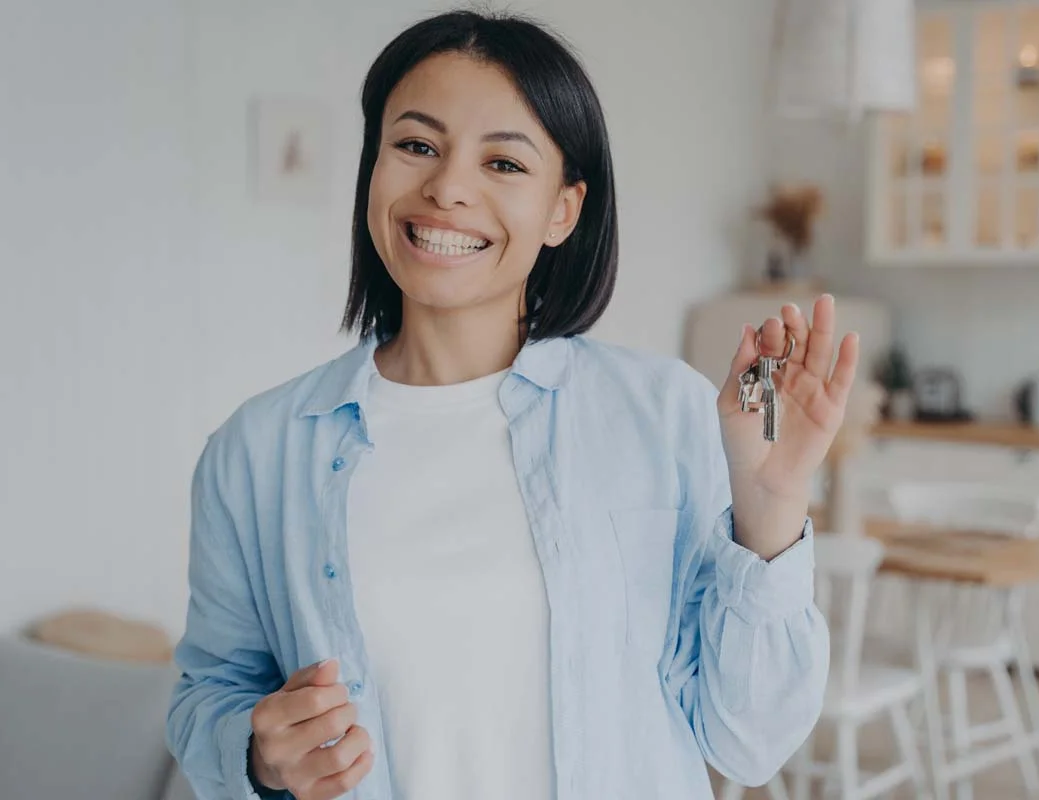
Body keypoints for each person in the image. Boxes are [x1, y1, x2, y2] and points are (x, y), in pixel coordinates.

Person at [166, 9, 859, 800]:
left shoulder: (665, 414)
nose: (448, 188)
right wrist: (258, 756)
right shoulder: (256, 451)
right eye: (417, 145)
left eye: (503, 164)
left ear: (563, 210)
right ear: (373, 168)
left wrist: (769, 508)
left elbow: (751, 740)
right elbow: (206, 698)